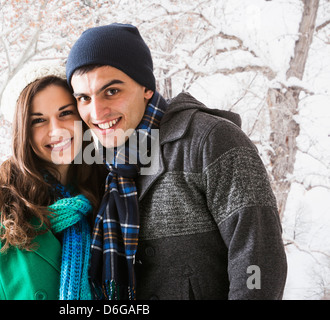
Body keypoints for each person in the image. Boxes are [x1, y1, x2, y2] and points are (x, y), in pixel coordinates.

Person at [66, 23, 287, 300]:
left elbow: (260, 262)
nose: (96, 111)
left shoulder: (212, 141)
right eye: (84, 98)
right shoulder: (100, 168)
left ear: (147, 87)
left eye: (111, 91)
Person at [0, 62, 105, 300]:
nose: (57, 130)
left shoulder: (108, 191)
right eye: (38, 120)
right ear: (23, 132)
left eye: (65, 113)